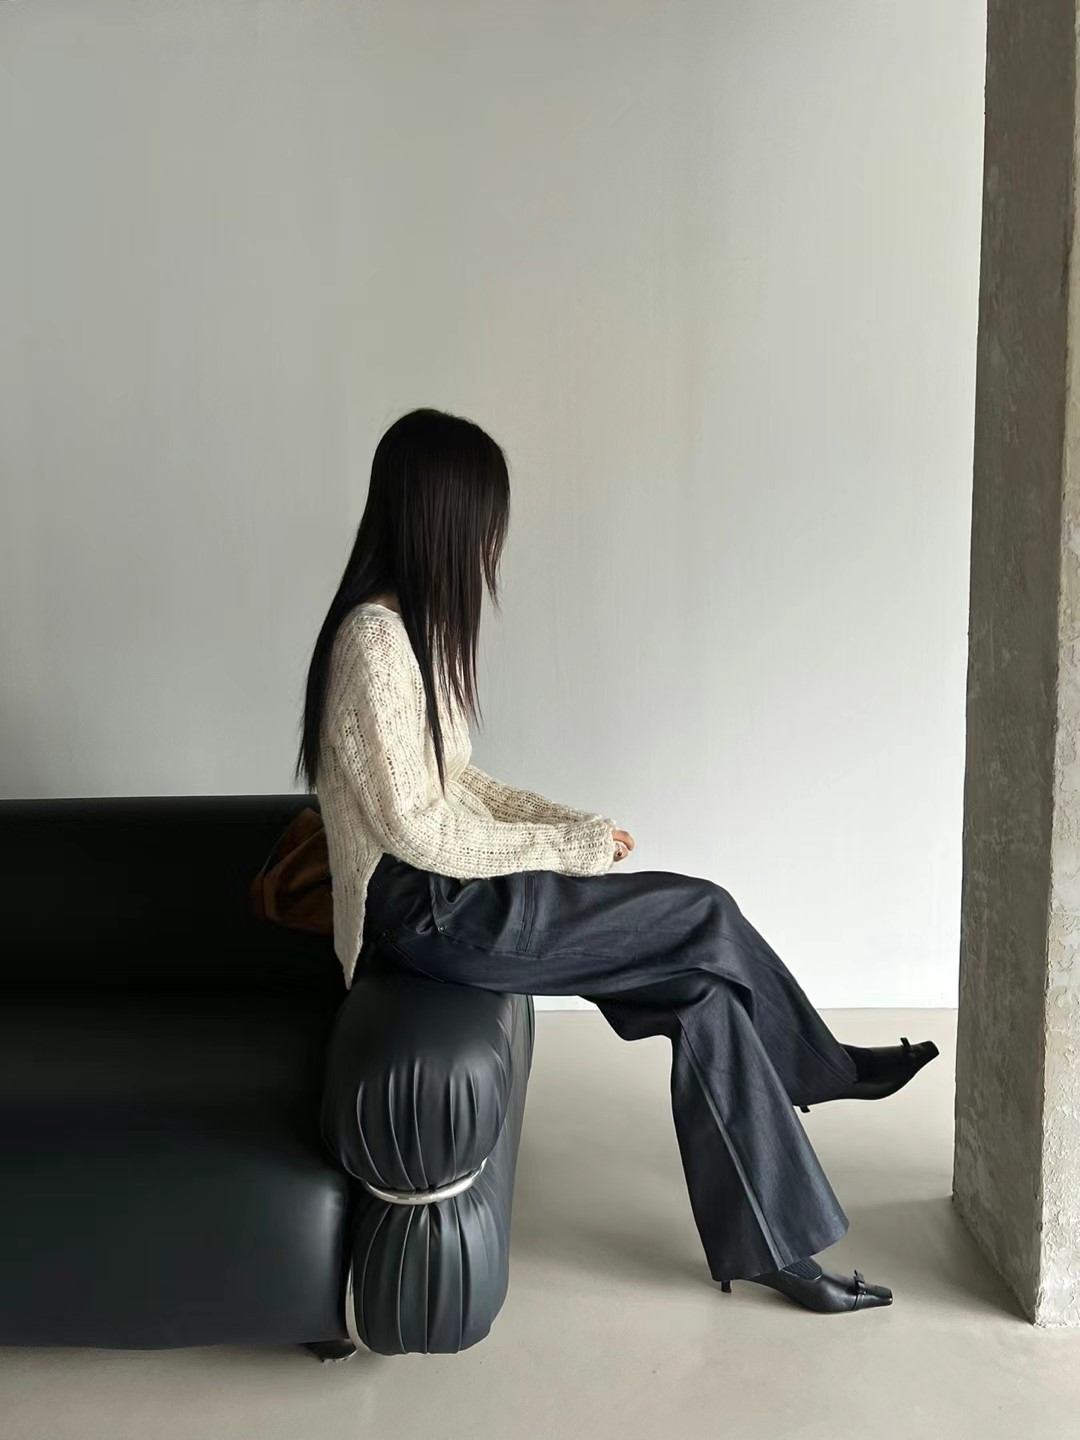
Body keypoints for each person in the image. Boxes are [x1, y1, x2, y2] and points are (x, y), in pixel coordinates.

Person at [295, 406, 938, 1315]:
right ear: (442, 514)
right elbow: (418, 829)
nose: (493, 542)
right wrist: (570, 847)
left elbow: (459, 783)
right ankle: (822, 1069)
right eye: (487, 518)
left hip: (450, 898)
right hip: (428, 911)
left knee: (703, 996)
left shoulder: (407, 632)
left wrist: (573, 822)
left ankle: (777, 1249)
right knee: (705, 909)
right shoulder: (373, 640)